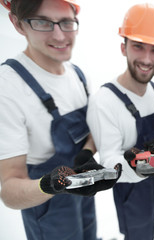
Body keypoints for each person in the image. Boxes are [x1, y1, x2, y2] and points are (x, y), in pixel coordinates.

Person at [0, 0, 121, 240]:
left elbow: (90, 131)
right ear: (18, 23)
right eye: (43, 22)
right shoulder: (8, 87)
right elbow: (9, 190)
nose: (59, 35)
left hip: (82, 194)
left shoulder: (77, 74)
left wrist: (86, 154)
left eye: (66, 22)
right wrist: (50, 185)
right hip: (46, 207)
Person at [86, 3, 154, 240]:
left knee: (151, 223)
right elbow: (109, 160)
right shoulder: (105, 101)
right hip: (130, 192)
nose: (147, 59)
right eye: (138, 46)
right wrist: (143, 163)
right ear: (123, 47)